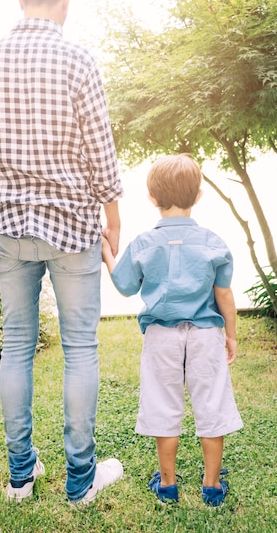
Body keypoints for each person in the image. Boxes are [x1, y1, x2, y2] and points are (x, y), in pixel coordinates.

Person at [0, 0, 124, 505]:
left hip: (7, 226)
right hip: (73, 226)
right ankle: (81, 481)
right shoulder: (79, 59)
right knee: (80, 347)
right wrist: (114, 215)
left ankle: (20, 478)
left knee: (16, 346)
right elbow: (100, 150)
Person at [101, 154, 243, 507]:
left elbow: (125, 286)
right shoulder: (213, 242)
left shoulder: (144, 244)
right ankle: (211, 487)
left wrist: (106, 252)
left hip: (161, 335)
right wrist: (231, 334)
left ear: (152, 198)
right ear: (198, 196)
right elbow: (223, 294)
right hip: (206, 334)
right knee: (211, 403)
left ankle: (167, 485)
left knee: (163, 404)